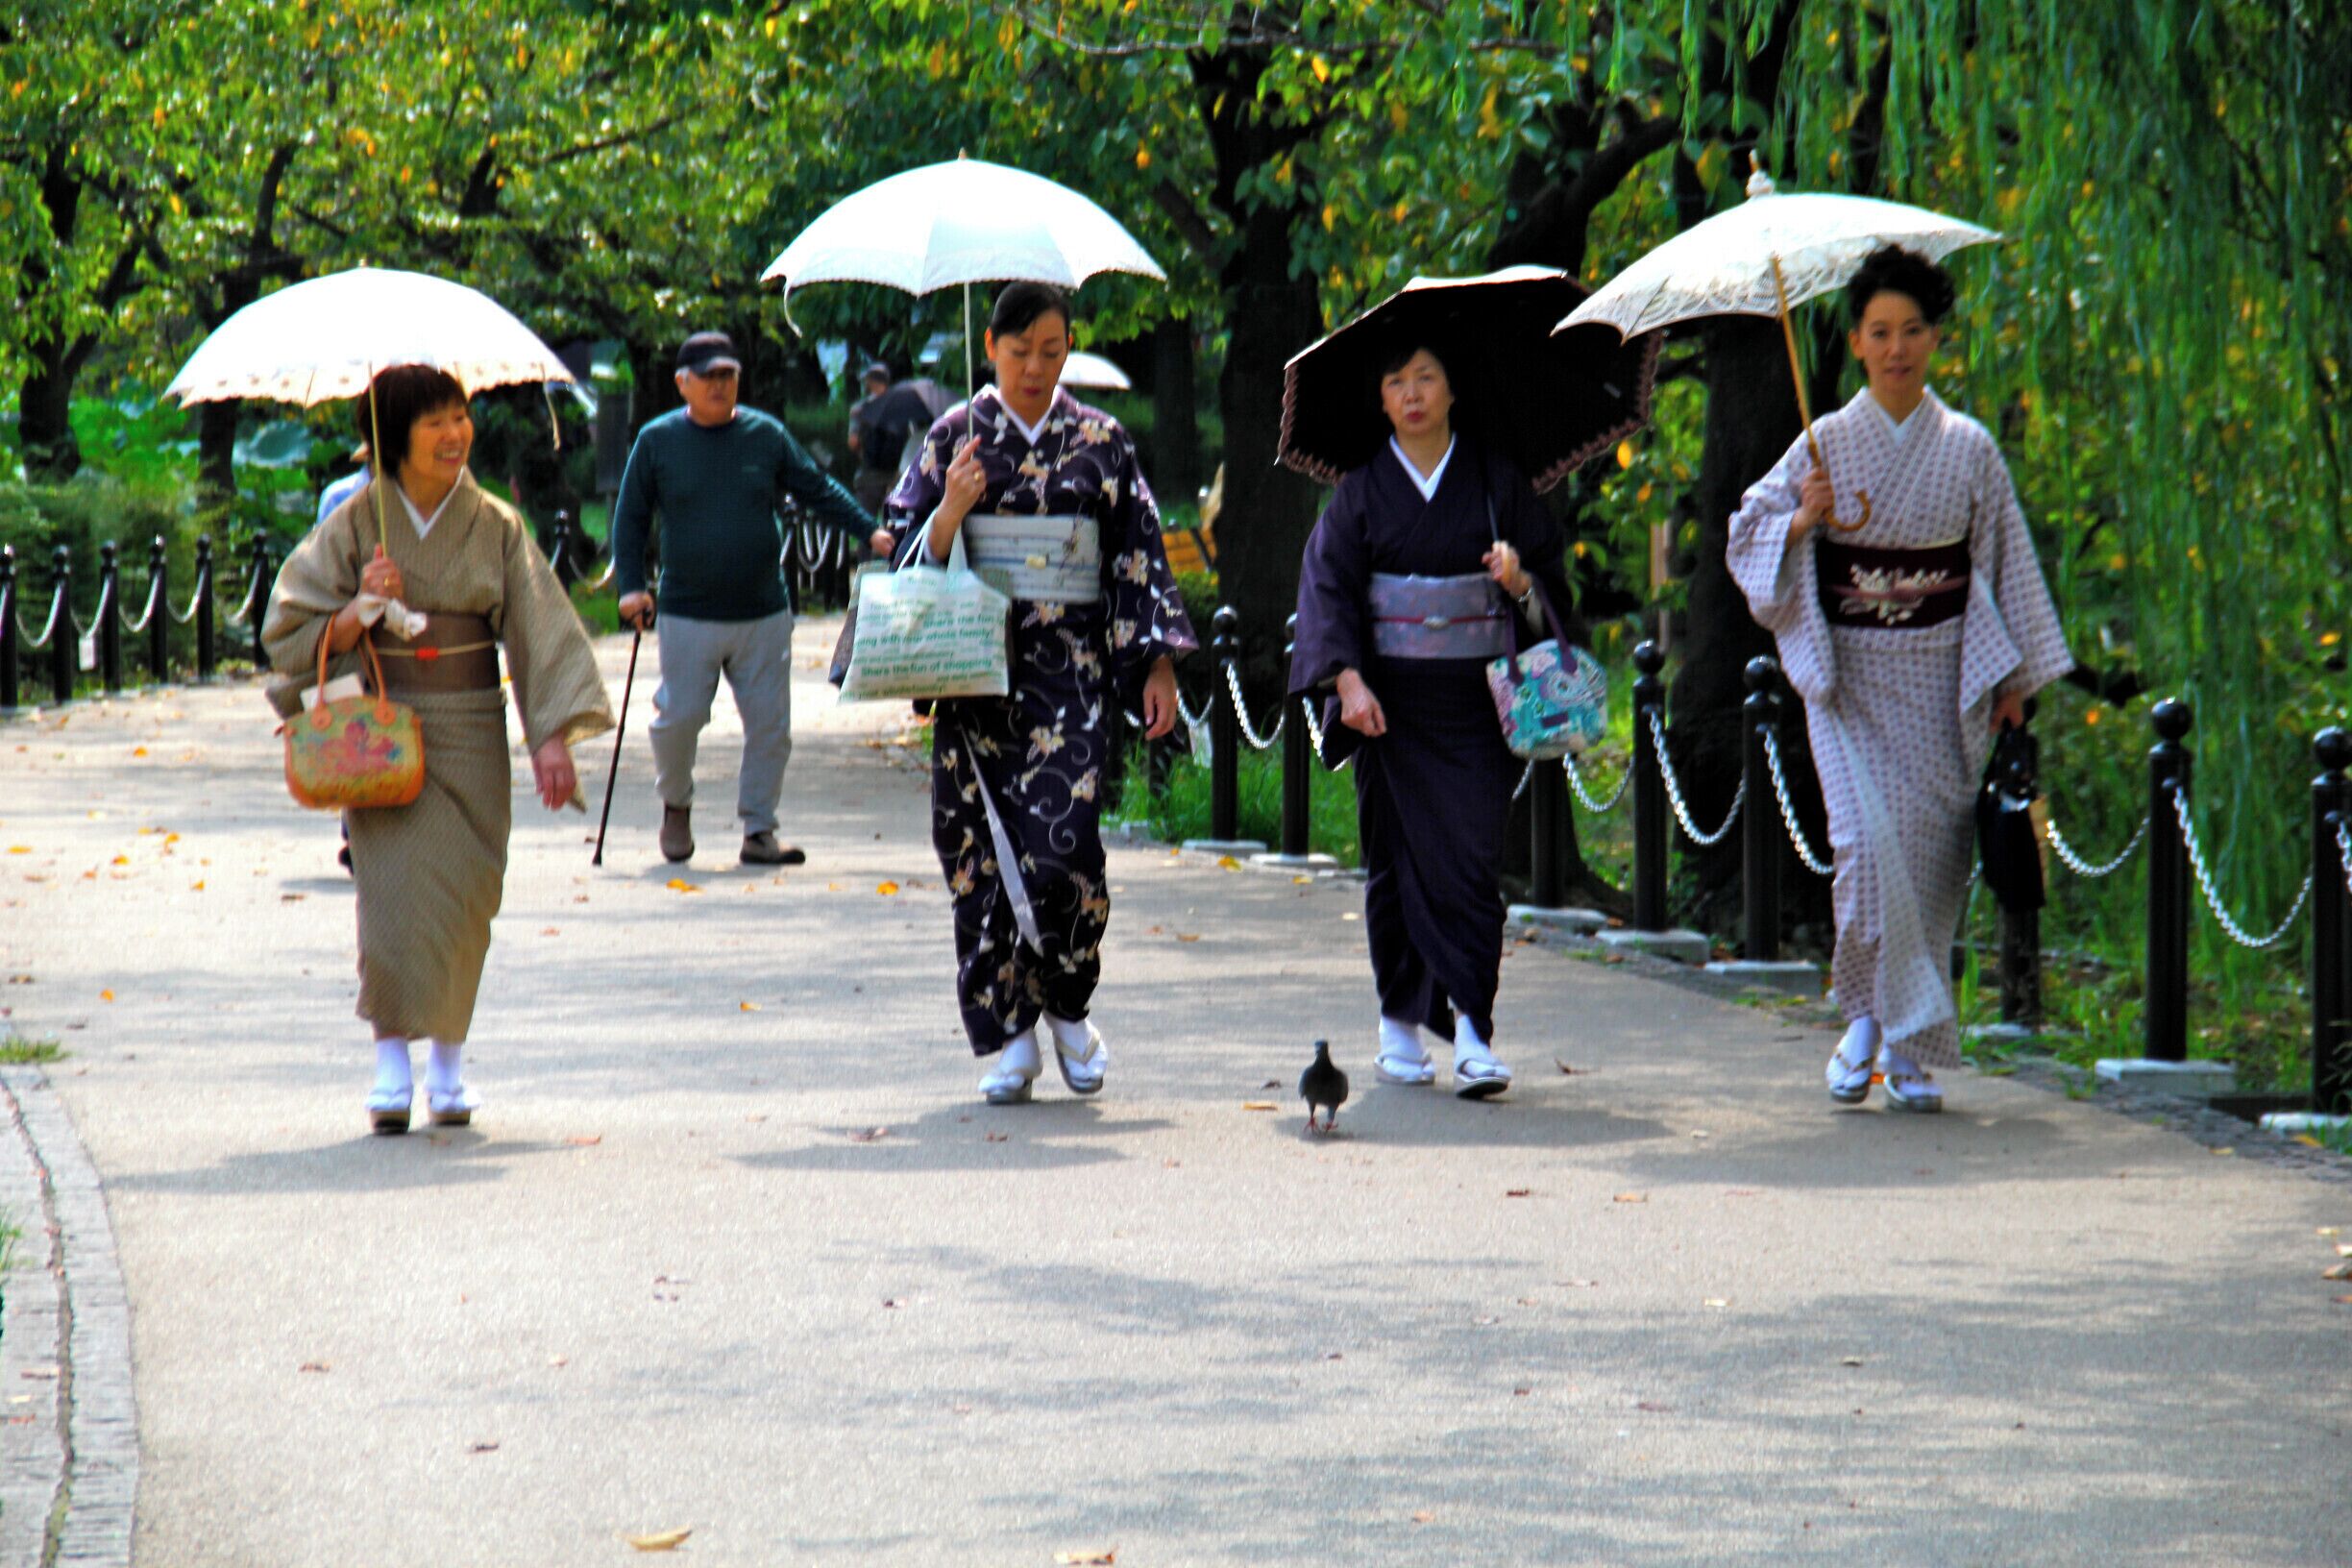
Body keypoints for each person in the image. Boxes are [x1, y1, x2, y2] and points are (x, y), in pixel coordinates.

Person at [1727, 245, 2071, 1113]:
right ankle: (1868, 1025)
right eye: (1879, 331)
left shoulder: (1969, 450)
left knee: (1928, 864)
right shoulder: (1826, 442)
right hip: (1849, 682)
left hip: (1941, 676)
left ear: (1933, 340)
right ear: (1854, 343)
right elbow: (1747, 534)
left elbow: (1999, 567)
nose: (1896, 347)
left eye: (1912, 330)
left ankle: (1901, 1045)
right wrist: (1803, 519)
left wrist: (2011, 683)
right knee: (1862, 851)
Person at [263, 365, 613, 1134]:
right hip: (385, 729)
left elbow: (539, 630)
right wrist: (359, 609)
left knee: (465, 899)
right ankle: (391, 1062)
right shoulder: (355, 522)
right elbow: (287, 628)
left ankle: (448, 1065)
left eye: (461, 418)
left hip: (470, 725)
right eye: (435, 423)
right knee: (389, 901)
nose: (456, 435)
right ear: (395, 438)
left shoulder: (494, 523)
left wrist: (549, 737)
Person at [883, 282, 1196, 1104]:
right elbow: (905, 563)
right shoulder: (952, 437)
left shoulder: (1103, 441)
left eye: (1050, 352)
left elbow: (1137, 555)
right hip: (973, 673)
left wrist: (1155, 663)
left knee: (1064, 850)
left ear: (1068, 351)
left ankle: (1067, 1007)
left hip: (1073, 674)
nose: (1033, 367)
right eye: (1018, 352)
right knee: (977, 858)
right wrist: (950, 506)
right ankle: (1010, 1039)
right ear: (990, 348)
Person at [1288, 340, 1578, 1100]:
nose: (1412, 392)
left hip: (1478, 706)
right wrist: (1345, 680)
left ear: (1453, 390)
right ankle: (1397, 1027)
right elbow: (1326, 591)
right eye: (1396, 379)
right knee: (1395, 863)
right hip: (1389, 704)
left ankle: (1477, 1036)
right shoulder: (1359, 492)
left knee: (1472, 866)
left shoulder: (1493, 479)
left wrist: (1520, 581)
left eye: (1426, 376)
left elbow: (1552, 581)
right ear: (1380, 400)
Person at [611, 331, 878, 867]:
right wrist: (632, 588)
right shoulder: (657, 440)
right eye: (708, 376)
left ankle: (759, 830)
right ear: (682, 383)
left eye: (728, 374)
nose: (720, 384)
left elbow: (815, 487)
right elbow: (631, 516)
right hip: (688, 611)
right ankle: (676, 804)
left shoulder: (765, 435)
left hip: (762, 611)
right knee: (678, 718)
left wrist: (868, 530)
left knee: (770, 729)